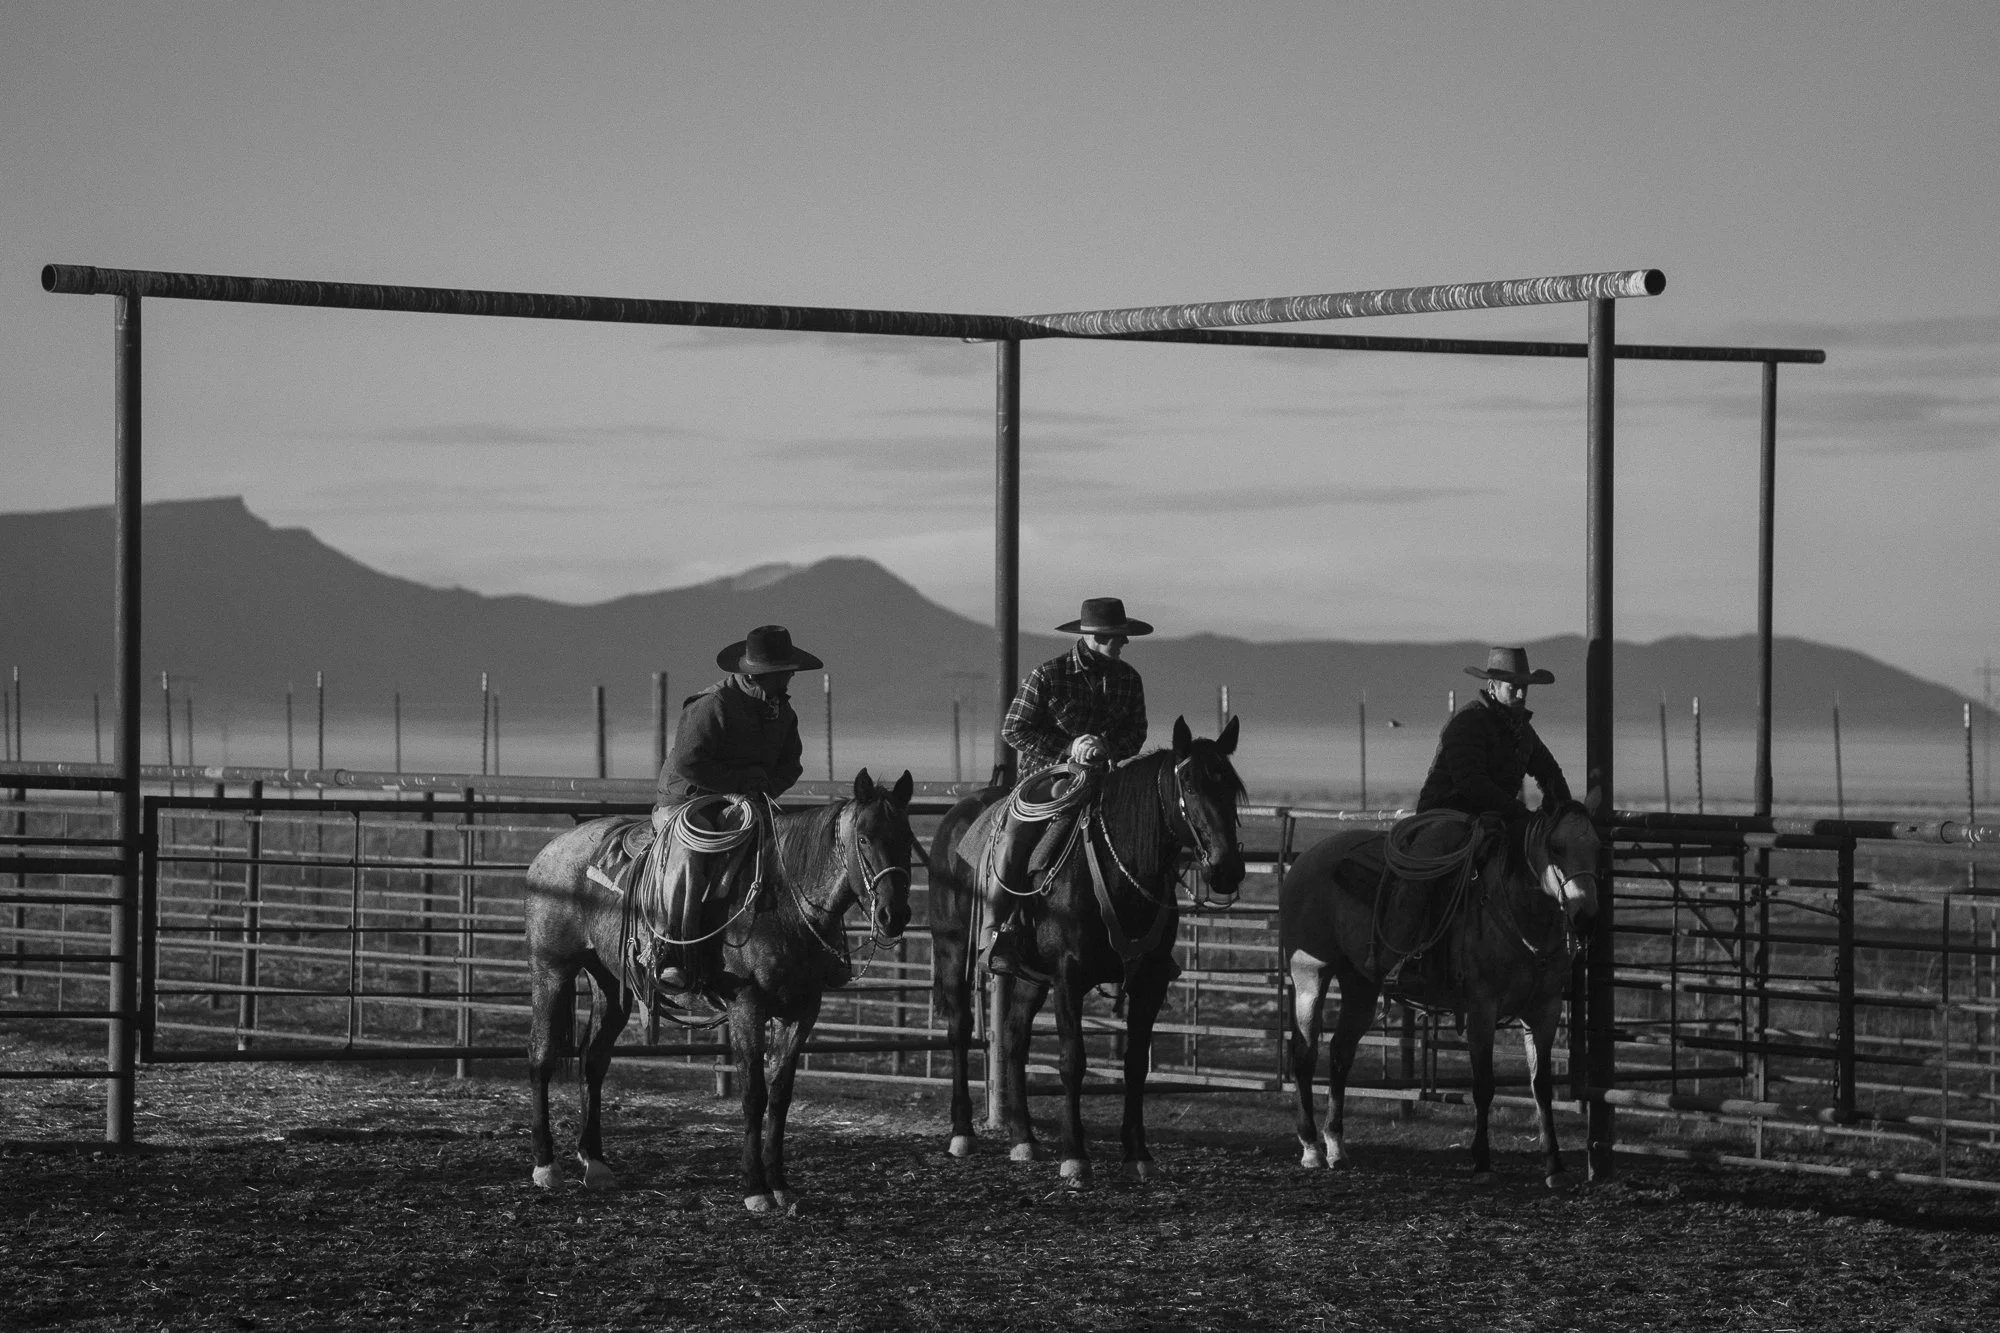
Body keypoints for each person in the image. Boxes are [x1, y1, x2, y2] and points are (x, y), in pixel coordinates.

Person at [981, 597, 1152, 977]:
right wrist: (1068, 748)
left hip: (1106, 780)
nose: (1121, 644)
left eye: (1122, 637)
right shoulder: (1048, 675)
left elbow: (1136, 732)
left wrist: (1106, 746)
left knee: (1149, 835)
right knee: (1014, 835)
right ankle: (994, 933)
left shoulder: (1129, 679)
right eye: (1114, 637)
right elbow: (1013, 728)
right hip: (1048, 778)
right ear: (1091, 636)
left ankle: (1148, 939)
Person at [651, 624, 822, 990]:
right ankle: (672, 949)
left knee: (791, 848)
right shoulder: (712, 706)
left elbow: (791, 764)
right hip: (687, 800)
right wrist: (740, 785)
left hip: (747, 801)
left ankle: (791, 947)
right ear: (761, 675)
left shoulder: (781, 712)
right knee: (691, 856)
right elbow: (687, 763)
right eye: (785, 672)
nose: (790, 677)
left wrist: (765, 788)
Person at [1416, 646, 1572, 826]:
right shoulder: (1467, 722)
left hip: (1491, 822)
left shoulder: (1523, 731)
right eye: (1513, 687)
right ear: (1492, 687)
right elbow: (1471, 783)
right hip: (1443, 819)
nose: (1521, 694)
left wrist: (1567, 813)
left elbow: (1550, 773)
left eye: (1524, 687)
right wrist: (1519, 813)